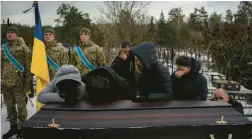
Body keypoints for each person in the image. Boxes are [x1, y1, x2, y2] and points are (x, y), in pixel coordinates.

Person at [1, 26, 32, 139]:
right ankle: (13, 127)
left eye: (12, 32)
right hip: (5, 83)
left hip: (19, 83)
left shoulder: (24, 48)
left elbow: (28, 67)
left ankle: (22, 128)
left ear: (17, 34)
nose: (9, 34)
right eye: (8, 32)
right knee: (10, 107)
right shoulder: (2, 48)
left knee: (21, 107)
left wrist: (28, 82)